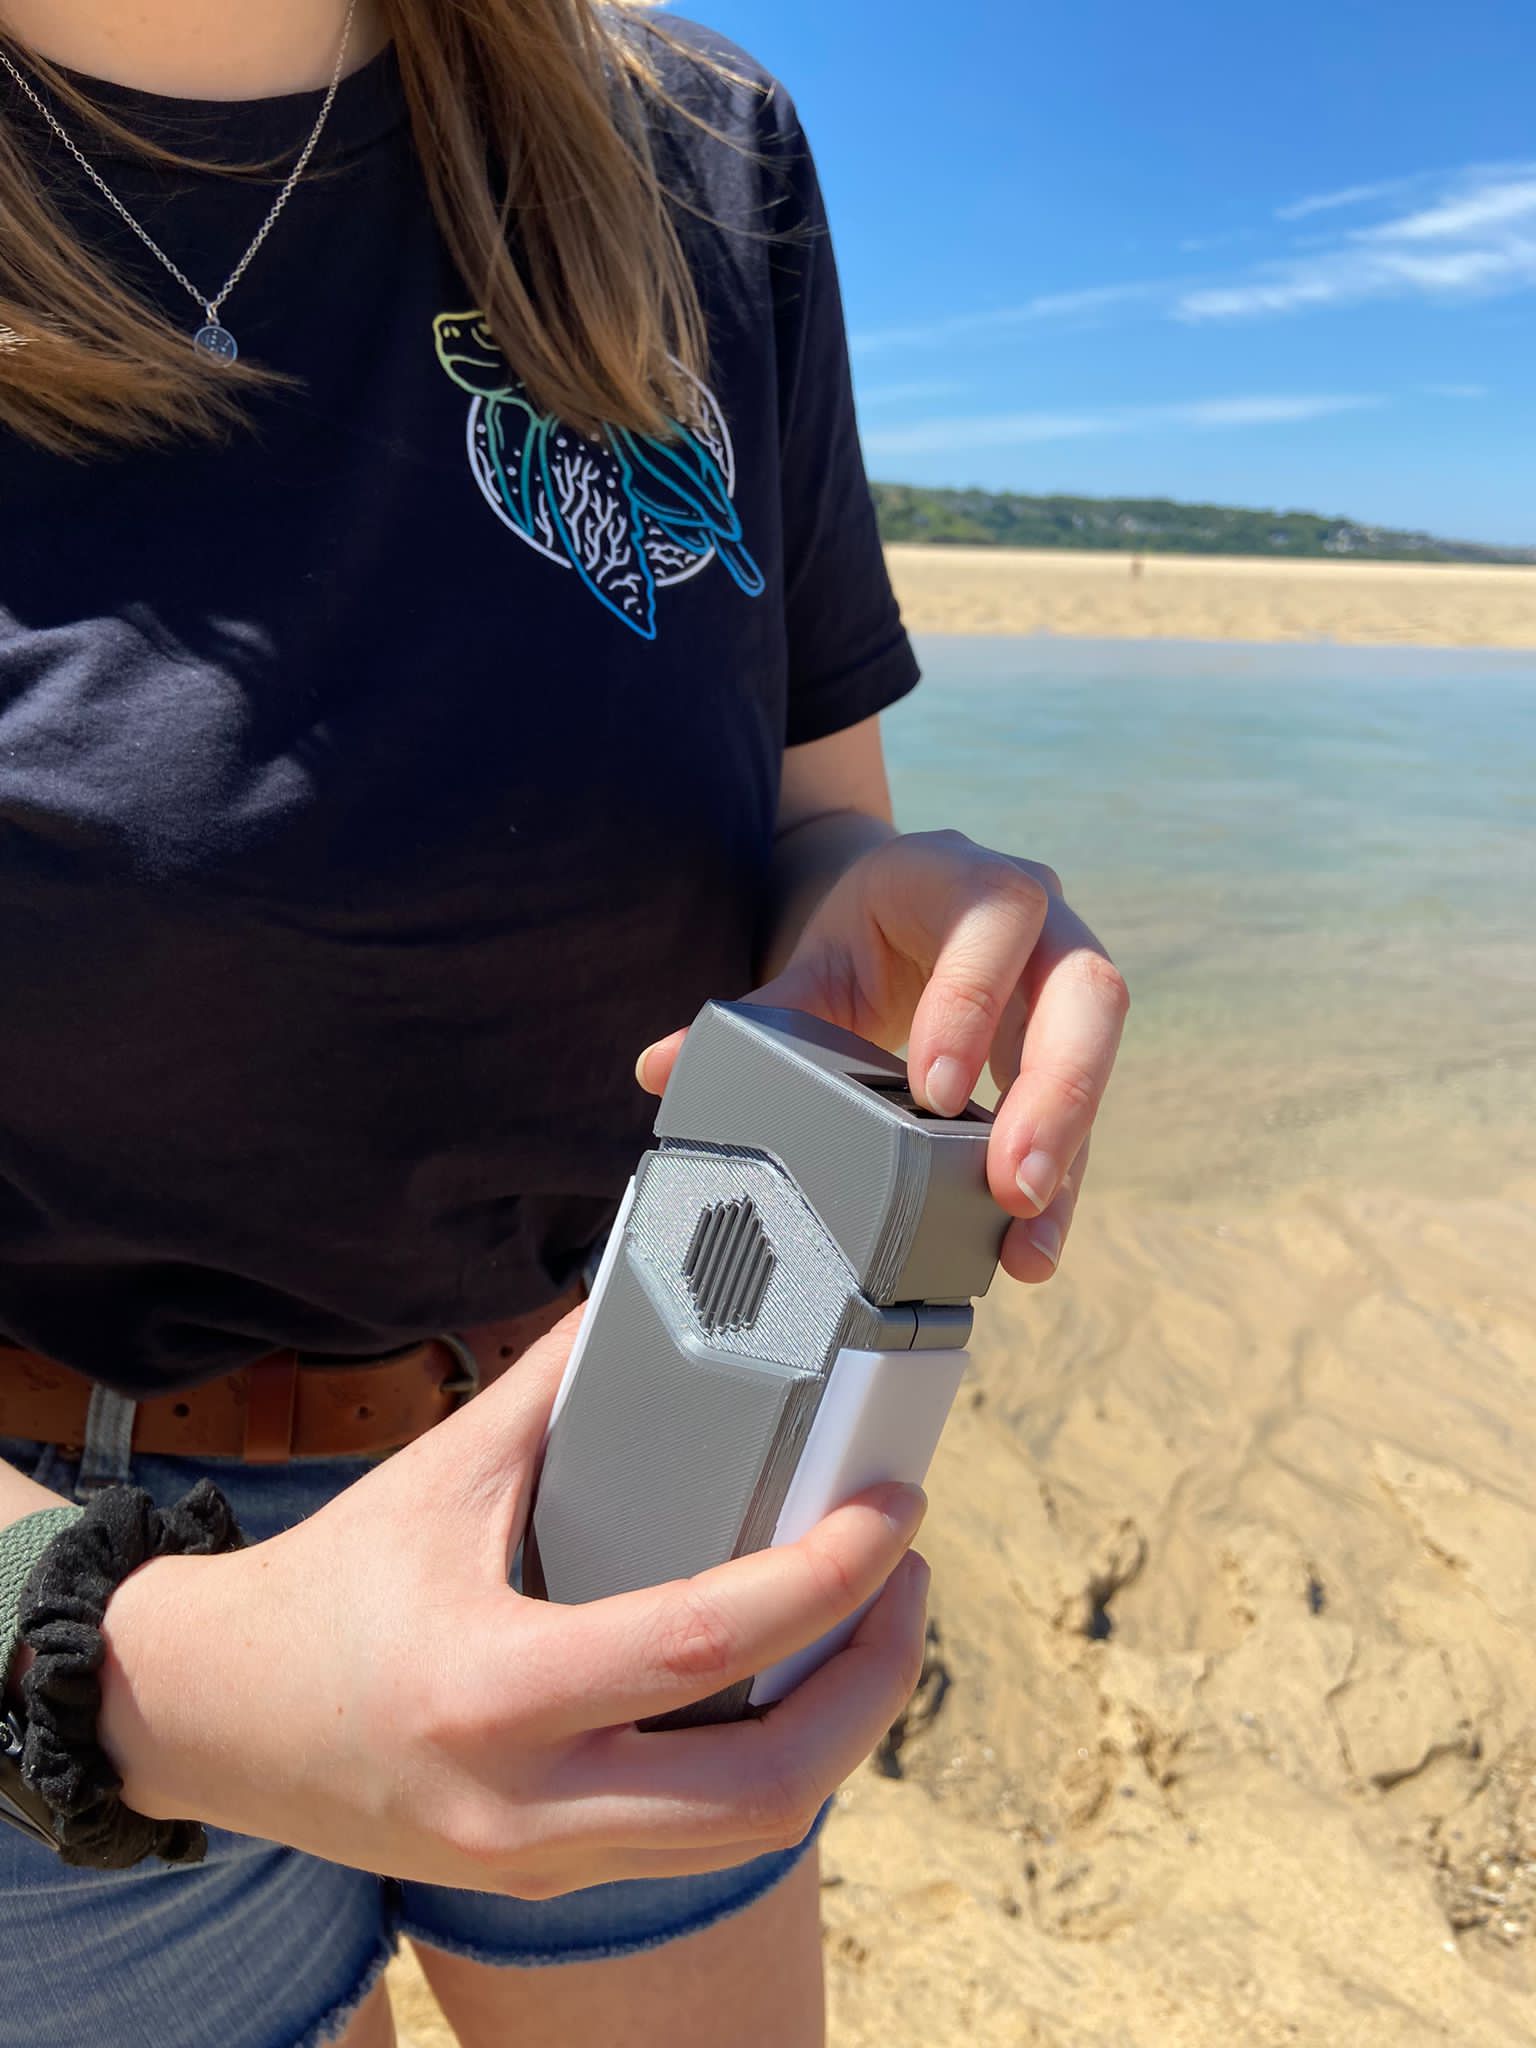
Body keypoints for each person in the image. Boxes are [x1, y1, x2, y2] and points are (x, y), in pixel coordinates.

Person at [0, 3, 1129, 2043]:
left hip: (659, 1461)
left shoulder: (692, 149)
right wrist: (138, 1665)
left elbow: (805, 820)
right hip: (61, 1640)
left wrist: (875, 928)